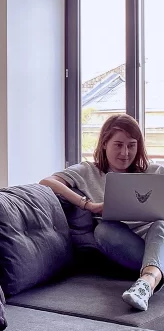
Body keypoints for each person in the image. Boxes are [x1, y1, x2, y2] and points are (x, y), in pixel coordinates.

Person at [41, 113, 164, 313]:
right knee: (103, 231)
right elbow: (47, 182)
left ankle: (146, 284)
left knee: (161, 225)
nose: (125, 152)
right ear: (104, 143)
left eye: (132, 145)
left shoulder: (154, 171)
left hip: (158, 239)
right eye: (118, 144)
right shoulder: (87, 171)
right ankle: (156, 272)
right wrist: (88, 205)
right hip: (125, 244)